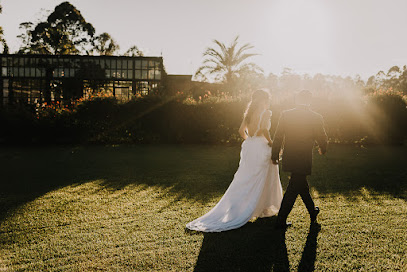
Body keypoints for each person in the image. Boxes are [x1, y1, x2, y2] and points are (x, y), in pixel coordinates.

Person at [186, 89, 283, 232]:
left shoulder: (248, 113)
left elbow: (240, 131)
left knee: (246, 177)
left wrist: (250, 141)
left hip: (249, 147)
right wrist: (271, 143)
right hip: (261, 147)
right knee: (265, 176)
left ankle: (244, 207)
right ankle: (264, 208)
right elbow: (264, 130)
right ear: (264, 99)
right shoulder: (266, 112)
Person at [272, 90, 328, 229]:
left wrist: (275, 155)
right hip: (304, 157)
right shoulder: (316, 116)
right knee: (294, 187)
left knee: (300, 184)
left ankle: (312, 211)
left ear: (297, 100)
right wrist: (323, 148)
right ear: (309, 101)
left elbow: (278, 136)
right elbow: (322, 136)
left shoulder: (286, 114)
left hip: (290, 156)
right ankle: (280, 220)